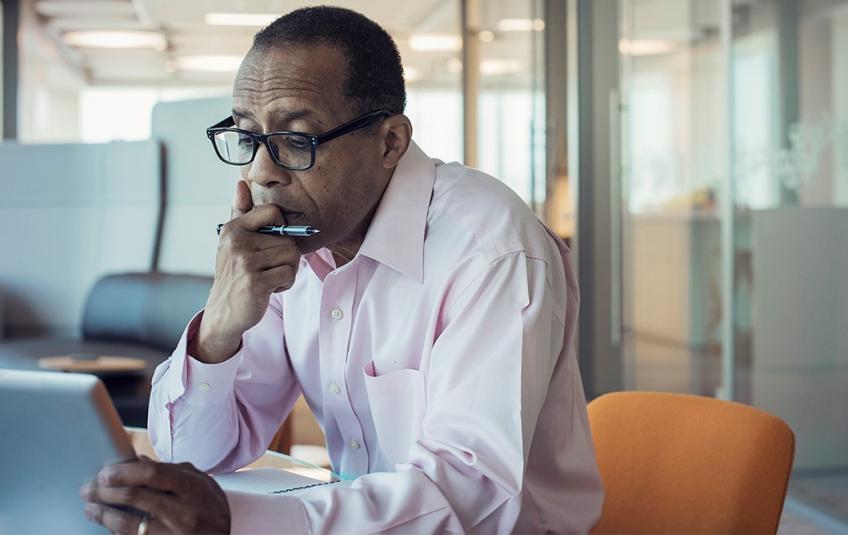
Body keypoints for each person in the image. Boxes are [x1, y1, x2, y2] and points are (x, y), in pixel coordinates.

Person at [80, 6, 603, 534]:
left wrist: (235, 519)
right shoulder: (296, 245)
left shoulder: (492, 252)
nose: (262, 171)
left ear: (390, 143)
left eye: (295, 139)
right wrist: (218, 327)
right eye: (247, 138)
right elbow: (197, 454)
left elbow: (474, 498)